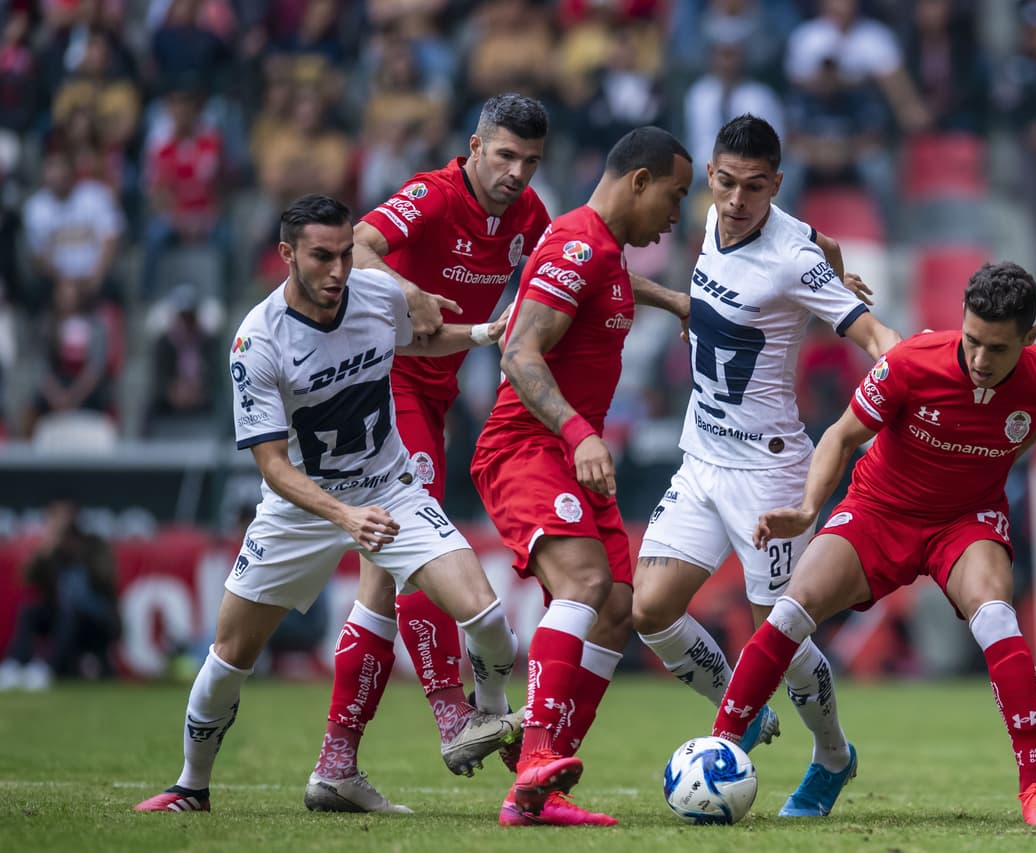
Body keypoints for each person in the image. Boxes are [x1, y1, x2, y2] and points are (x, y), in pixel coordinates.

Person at [133, 195, 523, 815]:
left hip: (388, 488)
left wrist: (480, 335)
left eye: (345, 254)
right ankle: (190, 786)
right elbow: (272, 466)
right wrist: (344, 518)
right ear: (287, 255)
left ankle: (486, 713)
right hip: (299, 511)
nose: (339, 270)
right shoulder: (258, 341)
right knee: (230, 656)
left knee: (489, 618)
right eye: (322, 257)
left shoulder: (376, 293)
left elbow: (412, 344)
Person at [708, 261, 1036, 827]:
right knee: (790, 611)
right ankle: (718, 750)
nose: (980, 359)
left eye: (998, 349)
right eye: (972, 340)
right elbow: (840, 435)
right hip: (880, 510)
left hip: (964, 520)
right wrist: (807, 510)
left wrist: (987, 469)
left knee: (997, 615)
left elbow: (1033, 423)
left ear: (1030, 338)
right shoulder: (911, 363)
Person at [631, 114, 901, 819]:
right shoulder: (711, 220)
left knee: (777, 635)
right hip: (701, 456)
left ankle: (833, 756)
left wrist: (909, 370)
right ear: (709, 176)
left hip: (769, 474)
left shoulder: (792, 258)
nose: (737, 199)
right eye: (726, 182)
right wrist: (832, 256)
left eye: (754, 187)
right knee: (649, 608)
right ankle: (739, 704)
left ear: (776, 184)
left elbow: (874, 333)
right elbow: (818, 242)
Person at [321, 93, 551, 792]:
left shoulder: (530, 216)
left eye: (530, 161)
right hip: (384, 384)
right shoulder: (432, 194)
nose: (516, 173)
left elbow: (568, 274)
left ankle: (336, 765)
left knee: (382, 579)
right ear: (475, 147)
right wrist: (407, 291)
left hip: (434, 395)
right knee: (416, 544)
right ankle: (455, 716)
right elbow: (356, 245)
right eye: (505, 155)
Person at [471, 126, 693, 827]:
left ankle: (538, 790)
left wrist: (673, 299)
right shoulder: (578, 243)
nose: (677, 214)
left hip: (571, 456)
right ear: (639, 181)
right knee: (586, 585)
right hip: (529, 446)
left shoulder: (602, 251)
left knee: (618, 609)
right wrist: (578, 430)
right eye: (675, 196)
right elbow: (519, 352)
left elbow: (609, 282)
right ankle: (535, 754)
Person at [0, 497, 118, 690]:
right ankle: (15, 663)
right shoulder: (52, 551)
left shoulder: (94, 545)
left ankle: (47, 668)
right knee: (29, 611)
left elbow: (106, 579)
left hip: (94, 618)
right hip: (61, 614)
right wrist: (46, 551)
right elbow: (27, 579)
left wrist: (76, 551)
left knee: (69, 613)